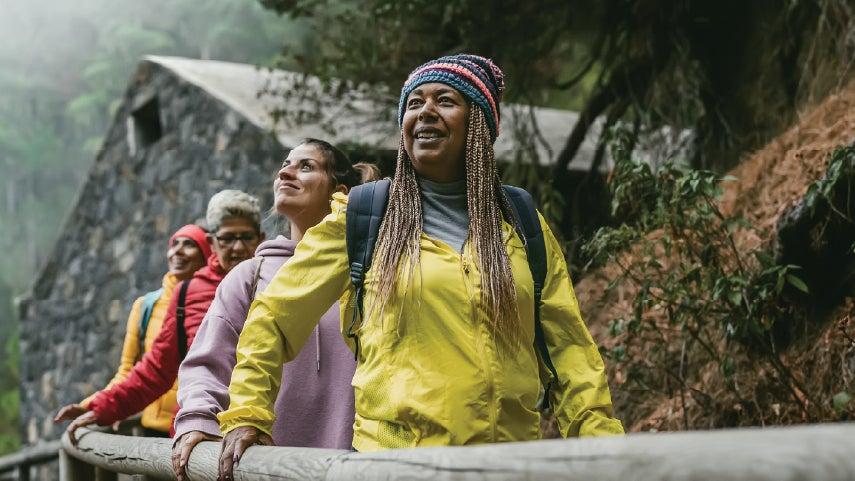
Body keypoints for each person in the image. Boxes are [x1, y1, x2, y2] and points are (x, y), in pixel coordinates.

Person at [218, 54, 623, 477]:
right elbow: (273, 316)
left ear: (479, 123)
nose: (425, 111)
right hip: (394, 467)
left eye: (445, 100)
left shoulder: (520, 223)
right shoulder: (366, 216)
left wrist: (606, 450)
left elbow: (569, 352)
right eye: (413, 103)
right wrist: (247, 411)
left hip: (508, 466)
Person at [170, 140, 376, 480]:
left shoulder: (367, 271)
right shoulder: (251, 276)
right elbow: (208, 363)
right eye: (285, 163)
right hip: (263, 467)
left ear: (338, 191)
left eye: (306, 166)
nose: (285, 172)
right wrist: (198, 420)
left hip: (355, 468)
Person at [61, 189, 264, 444]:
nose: (238, 247)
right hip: (201, 435)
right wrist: (100, 408)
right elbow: (156, 370)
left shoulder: (275, 282)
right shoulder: (188, 293)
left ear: (261, 238)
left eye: (246, 237)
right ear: (212, 243)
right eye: (226, 238)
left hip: (262, 430)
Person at [53, 225, 209, 436]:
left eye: (189, 244)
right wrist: (93, 405)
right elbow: (128, 371)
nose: (177, 251)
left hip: (194, 429)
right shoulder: (146, 305)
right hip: (152, 430)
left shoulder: (217, 301)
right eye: (174, 244)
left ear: (207, 253)